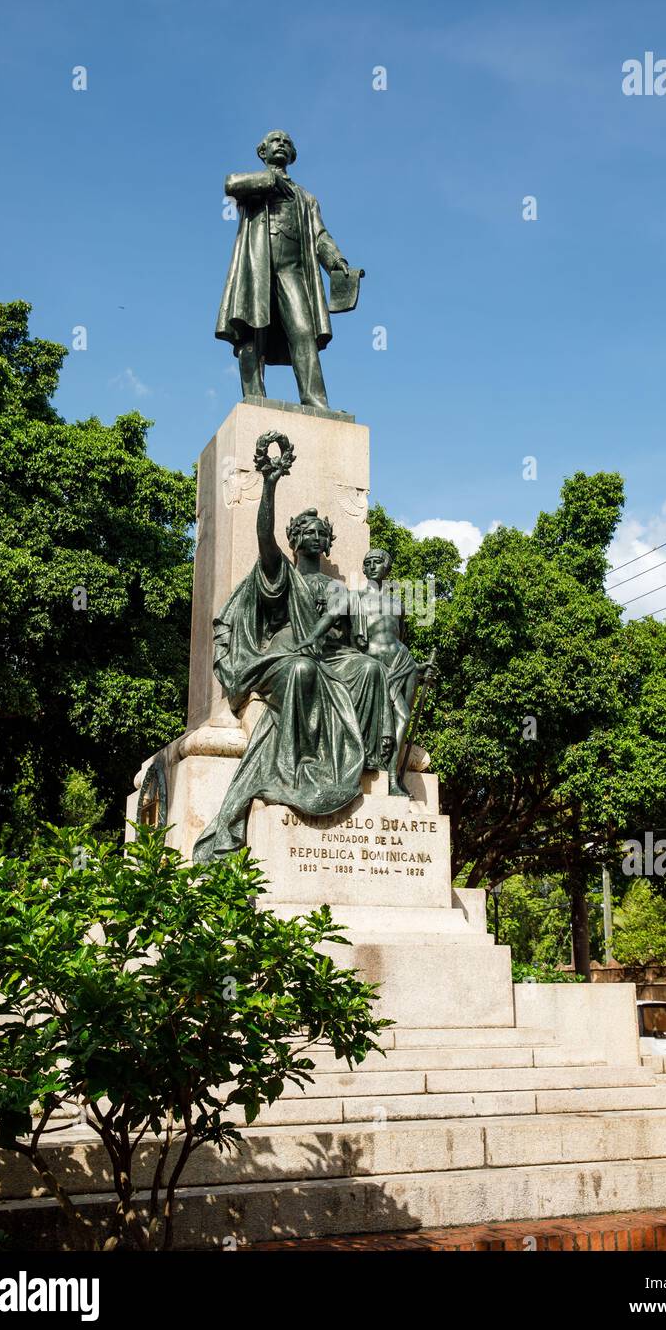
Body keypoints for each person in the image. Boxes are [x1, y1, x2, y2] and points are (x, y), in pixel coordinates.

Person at [193, 432, 394, 861]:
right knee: (303, 670)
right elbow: (264, 538)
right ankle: (301, 766)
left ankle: (374, 763)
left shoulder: (336, 587)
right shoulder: (282, 576)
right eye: (307, 532)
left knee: (370, 670)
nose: (316, 538)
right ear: (294, 540)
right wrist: (269, 483)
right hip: (282, 657)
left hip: (327, 659)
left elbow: (352, 640)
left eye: (322, 533)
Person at [215, 130, 355, 409]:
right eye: (274, 141)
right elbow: (231, 184)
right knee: (251, 330)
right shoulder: (257, 185)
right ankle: (254, 399)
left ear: (292, 155)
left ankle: (315, 402)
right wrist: (270, 180)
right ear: (262, 152)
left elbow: (320, 237)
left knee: (304, 331)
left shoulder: (306, 198)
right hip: (256, 268)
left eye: (287, 142)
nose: (281, 144)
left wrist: (337, 262)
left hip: (293, 271)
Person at [352, 548, 435, 796]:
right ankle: (361, 771)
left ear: (387, 568)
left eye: (379, 562)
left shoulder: (397, 605)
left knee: (404, 718)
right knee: (387, 717)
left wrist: (420, 668)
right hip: (373, 666)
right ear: (364, 568)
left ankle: (392, 780)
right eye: (369, 562)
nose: (374, 566)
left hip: (403, 663)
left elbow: (397, 637)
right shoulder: (354, 599)